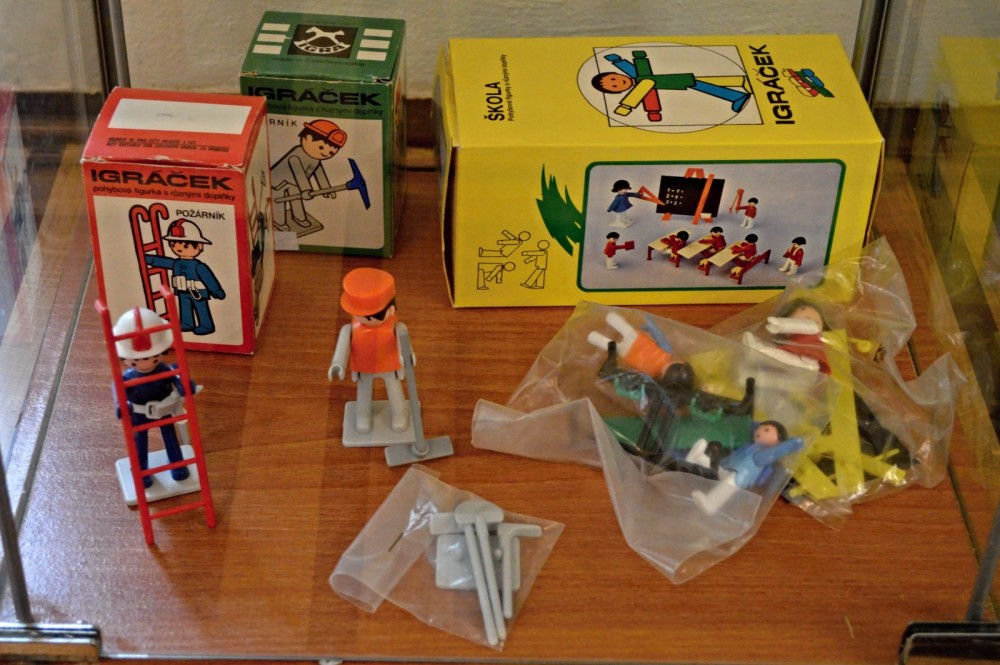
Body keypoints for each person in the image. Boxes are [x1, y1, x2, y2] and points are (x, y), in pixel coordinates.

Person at [113, 307, 194, 488]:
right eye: (136, 360)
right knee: (140, 444)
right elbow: (117, 389)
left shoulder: (165, 370)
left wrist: (184, 385)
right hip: (139, 415)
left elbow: (177, 377)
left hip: (164, 410)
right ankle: (142, 474)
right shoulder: (127, 378)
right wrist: (120, 404)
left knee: (171, 438)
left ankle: (178, 467)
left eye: (152, 357)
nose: (145, 362)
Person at [328, 268, 412, 435]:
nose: (361, 319)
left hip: (390, 366)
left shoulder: (396, 327)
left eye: (368, 316)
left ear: (391, 310)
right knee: (363, 394)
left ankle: (399, 415)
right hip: (364, 368)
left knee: (395, 392)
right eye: (357, 313)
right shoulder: (350, 329)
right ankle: (363, 417)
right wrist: (338, 364)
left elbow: (403, 343)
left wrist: (407, 356)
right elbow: (342, 347)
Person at [145, 219, 225, 335]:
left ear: (199, 246)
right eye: (173, 244)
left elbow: (209, 279)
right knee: (185, 308)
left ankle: (206, 325)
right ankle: (187, 323)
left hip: (198, 292)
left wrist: (216, 291)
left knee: (201, 309)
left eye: (185, 245)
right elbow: (163, 261)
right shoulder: (176, 263)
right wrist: (148, 259)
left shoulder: (199, 266)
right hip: (182, 291)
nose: (178, 248)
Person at [270, 119, 347, 231]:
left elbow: (319, 173)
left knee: (297, 200)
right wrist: (306, 190)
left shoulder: (316, 159)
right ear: (309, 138)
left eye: (331, 152)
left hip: (294, 183)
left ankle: (300, 218)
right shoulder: (296, 154)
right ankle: (279, 222)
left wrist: (326, 189)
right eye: (321, 147)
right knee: (278, 201)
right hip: (278, 182)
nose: (325, 153)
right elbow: (298, 172)